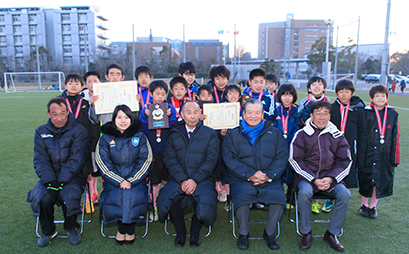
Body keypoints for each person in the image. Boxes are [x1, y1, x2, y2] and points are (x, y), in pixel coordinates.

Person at [222, 99, 288, 250]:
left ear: (263, 114)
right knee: (242, 197)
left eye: (257, 112)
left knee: (279, 198)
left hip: (269, 178)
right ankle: (243, 234)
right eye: (249, 112)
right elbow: (229, 159)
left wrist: (268, 175)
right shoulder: (233, 134)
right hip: (242, 179)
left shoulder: (275, 133)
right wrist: (249, 174)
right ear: (243, 114)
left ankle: (269, 233)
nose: (253, 116)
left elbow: (282, 157)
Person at [289, 101, 352, 252]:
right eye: (318, 113)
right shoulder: (301, 134)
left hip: (330, 179)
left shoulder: (337, 135)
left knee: (345, 194)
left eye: (325, 113)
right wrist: (313, 179)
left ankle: (332, 234)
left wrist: (331, 178)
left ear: (330, 116)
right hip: (307, 179)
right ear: (311, 115)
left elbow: (345, 161)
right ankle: (306, 232)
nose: (321, 117)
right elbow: (294, 160)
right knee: (304, 193)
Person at [27, 98, 90, 247]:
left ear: (68, 112)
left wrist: (61, 181)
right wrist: (50, 182)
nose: (59, 118)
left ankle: (71, 226)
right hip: (49, 177)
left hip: (73, 176)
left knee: (68, 195)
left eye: (63, 113)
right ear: (48, 114)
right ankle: (48, 230)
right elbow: (40, 159)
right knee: (42, 197)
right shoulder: (41, 132)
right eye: (55, 114)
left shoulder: (80, 131)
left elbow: (78, 158)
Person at [157, 101, 219, 248]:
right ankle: (180, 233)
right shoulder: (174, 133)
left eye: (195, 112)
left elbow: (212, 159)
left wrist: (195, 179)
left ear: (200, 114)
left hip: (202, 179)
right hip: (178, 179)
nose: (192, 116)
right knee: (170, 198)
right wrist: (183, 179)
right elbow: (169, 159)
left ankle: (195, 234)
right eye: (188, 112)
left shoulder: (209, 133)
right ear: (182, 115)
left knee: (205, 200)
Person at [96, 104, 153, 246]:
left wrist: (132, 180)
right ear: (114, 119)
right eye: (119, 117)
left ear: (131, 119)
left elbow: (146, 159)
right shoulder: (105, 138)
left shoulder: (140, 137)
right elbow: (102, 162)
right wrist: (119, 181)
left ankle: (130, 230)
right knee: (117, 196)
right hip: (113, 181)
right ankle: (121, 230)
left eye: (126, 117)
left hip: (136, 180)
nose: (123, 120)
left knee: (134, 195)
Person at [58, 74, 100, 214]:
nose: (74, 85)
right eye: (70, 83)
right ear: (65, 85)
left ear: (82, 87)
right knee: (68, 173)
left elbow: (93, 122)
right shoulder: (60, 102)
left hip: (83, 146)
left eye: (77, 83)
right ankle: (70, 200)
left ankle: (87, 199)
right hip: (65, 146)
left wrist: (94, 106)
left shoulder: (85, 102)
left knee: (87, 173)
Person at [322, 79, 366, 213]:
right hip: (333, 147)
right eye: (341, 92)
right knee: (333, 172)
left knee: (348, 174)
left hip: (350, 148)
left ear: (352, 93)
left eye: (347, 92)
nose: (344, 95)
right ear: (336, 93)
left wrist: (361, 154)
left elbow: (362, 133)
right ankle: (331, 199)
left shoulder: (358, 110)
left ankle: (342, 201)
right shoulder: (332, 108)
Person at [358, 85, 400, 219]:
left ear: (387, 97)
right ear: (371, 98)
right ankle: (364, 205)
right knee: (366, 179)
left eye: (383, 96)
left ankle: (373, 206)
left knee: (380, 181)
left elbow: (395, 136)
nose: (380, 98)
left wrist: (394, 157)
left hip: (384, 155)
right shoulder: (365, 112)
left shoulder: (392, 114)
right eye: (376, 96)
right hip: (368, 153)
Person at [139, 80, 178, 221]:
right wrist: (145, 115)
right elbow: (142, 129)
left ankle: (165, 207)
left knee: (166, 180)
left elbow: (175, 127)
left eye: (163, 93)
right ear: (151, 94)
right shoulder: (146, 109)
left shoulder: (169, 108)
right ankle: (153, 207)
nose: (160, 96)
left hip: (167, 152)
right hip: (152, 152)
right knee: (153, 182)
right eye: (157, 93)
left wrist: (171, 115)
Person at [297, 76, 330, 214]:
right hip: (307, 138)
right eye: (314, 84)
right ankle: (313, 202)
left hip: (324, 139)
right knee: (309, 165)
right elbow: (298, 118)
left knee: (323, 165)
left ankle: (328, 199)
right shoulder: (305, 101)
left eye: (320, 84)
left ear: (324, 88)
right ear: (309, 88)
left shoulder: (328, 102)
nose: (317, 87)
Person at [273, 84, 301, 209]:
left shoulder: (298, 110)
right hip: (277, 147)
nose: (287, 98)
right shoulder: (276, 110)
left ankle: (291, 199)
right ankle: (277, 198)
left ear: (293, 96)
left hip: (293, 146)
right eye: (284, 95)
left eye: (289, 95)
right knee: (278, 172)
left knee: (293, 172)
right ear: (280, 96)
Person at [82, 71, 102, 206]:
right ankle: (90, 194)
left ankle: (95, 192)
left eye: (95, 80)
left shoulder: (105, 93)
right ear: (85, 84)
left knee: (97, 167)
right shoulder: (82, 98)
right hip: (88, 137)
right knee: (90, 166)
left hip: (102, 136)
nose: (92, 83)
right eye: (89, 81)